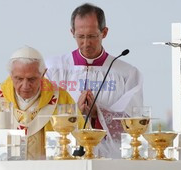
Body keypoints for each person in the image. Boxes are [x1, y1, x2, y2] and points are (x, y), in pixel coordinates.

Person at [46, 3, 143, 158]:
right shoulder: (53, 69)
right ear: (72, 32)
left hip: (110, 156)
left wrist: (99, 113)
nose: (86, 43)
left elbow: (133, 122)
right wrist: (74, 112)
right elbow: (42, 115)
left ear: (104, 32)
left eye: (92, 36)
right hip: (65, 154)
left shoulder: (126, 73)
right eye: (80, 36)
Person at [0, 46, 84, 160]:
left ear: (43, 73)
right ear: (11, 74)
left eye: (32, 79)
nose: (25, 85)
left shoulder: (61, 98)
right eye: (19, 78)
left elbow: (81, 132)